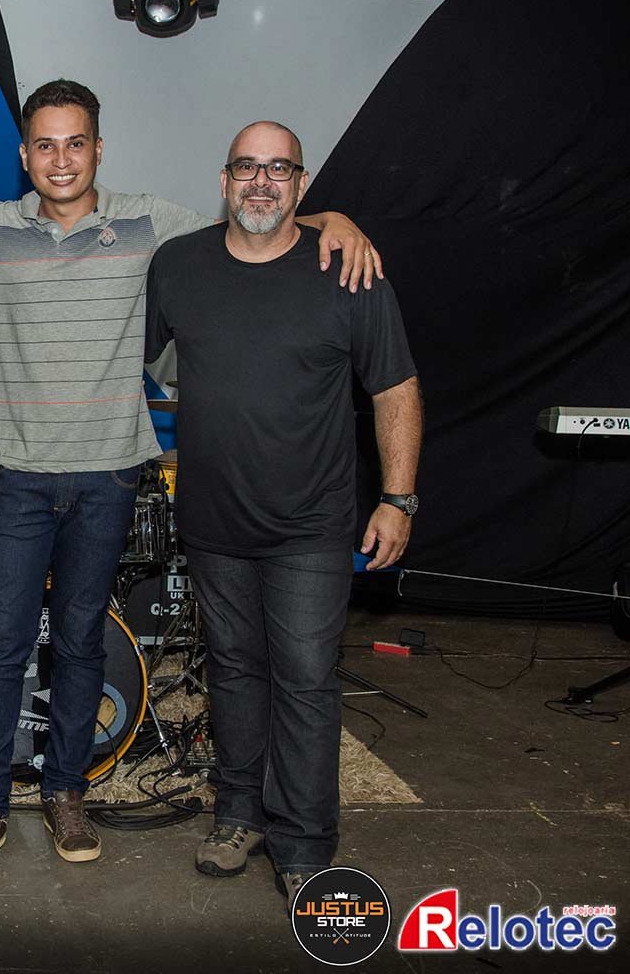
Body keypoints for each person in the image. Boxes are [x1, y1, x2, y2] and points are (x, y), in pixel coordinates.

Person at [0, 80, 382, 880]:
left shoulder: (151, 222)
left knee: (83, 640)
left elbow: (255, 221)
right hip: (18, 474)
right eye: (45, 145)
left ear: (98, 149)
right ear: (25, 157)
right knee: (0, 644)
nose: (61, 160)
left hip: (110, 474)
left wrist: (334, 217)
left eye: (76, 143)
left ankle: (66, 793)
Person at [145, 120, 422, 910]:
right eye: (247, 167)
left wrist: (398, 497)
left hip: (312, 525)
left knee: (303, 680)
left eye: (279, 169)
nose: (261, 182)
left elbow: (395, 388)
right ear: (224, 179)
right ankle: (239, 815)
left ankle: (302, 842)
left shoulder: (348, 269)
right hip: (214, 522)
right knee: (234, 671)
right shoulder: (179, 265)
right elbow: (120, 357)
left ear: (301, 184)